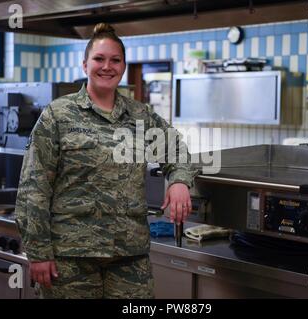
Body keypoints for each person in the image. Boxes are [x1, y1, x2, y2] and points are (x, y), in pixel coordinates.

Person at [14, 23, 197, 299]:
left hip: (129, 256)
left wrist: (179, 181)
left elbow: (177, 150)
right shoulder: (58, 115)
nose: (107, 66)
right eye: (99, 59)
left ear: (123, 67)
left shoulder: (140, 115)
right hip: (70, 258)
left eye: (115, 60)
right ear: (85, 64)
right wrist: (38, 252)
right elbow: (33, 186)